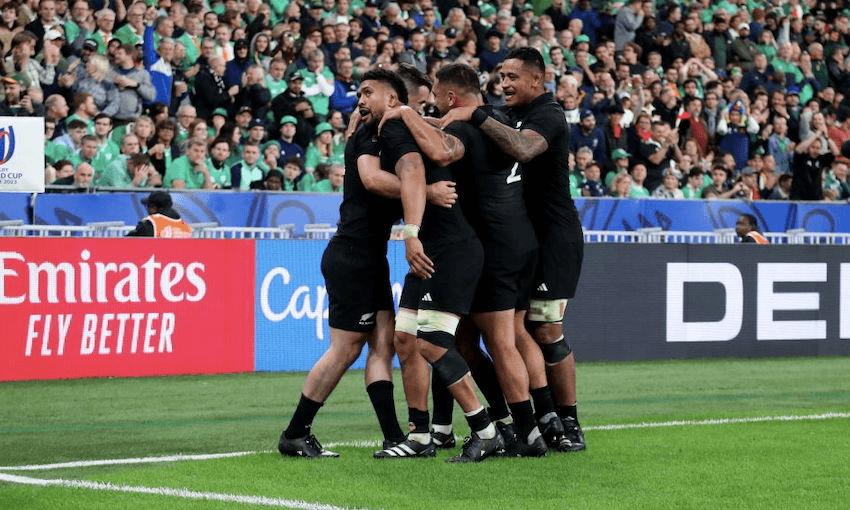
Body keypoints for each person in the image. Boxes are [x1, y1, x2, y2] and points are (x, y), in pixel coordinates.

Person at [376, 62, 544, 460]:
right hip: (479, 243)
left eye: (434, 98)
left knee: (480, 341)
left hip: (469, 246)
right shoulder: (491, 123)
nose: (431, 106)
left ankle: (508, 428)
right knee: (439, 339)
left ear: (451, 97)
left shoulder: (462, 128)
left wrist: (404, 115)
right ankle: (441, 431)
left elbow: (438, 148)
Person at [441, 46, 586, 453]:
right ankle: (535, 420)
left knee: (546, 331)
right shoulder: (509, 115)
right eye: (500, 76)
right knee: (509, 331)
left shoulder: (549, 114)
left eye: (512, 78)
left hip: (553, 239)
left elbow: (523, 149)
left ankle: (567, 421)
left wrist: (477, 114)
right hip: (515, 240)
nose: (503, 84)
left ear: (537, 79)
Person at [278, 68, 412, 459]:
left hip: (371, 258)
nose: (360, 100)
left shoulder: (380, 135)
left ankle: (393, 437)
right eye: (358, 94)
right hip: (352, 256)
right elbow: (371, 181)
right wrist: (425, 190)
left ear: (392, 98)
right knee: (344, 349)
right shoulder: (367, 138)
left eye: (368, 92)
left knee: (382, 345)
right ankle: (295, 433)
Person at [126, 190, 193, 238]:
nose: (147, 210)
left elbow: (130, 243)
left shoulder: (151, 223)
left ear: (154, 208)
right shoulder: (186, 226)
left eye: (148, 206)